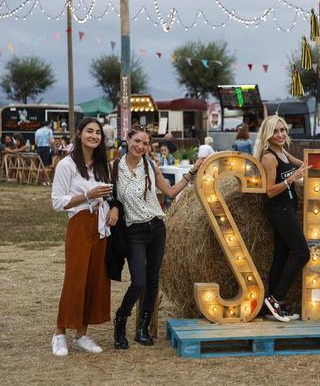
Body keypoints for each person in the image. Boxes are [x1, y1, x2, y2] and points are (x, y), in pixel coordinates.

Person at [112, 126, 204, 349]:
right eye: (136, 141)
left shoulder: (151, 166)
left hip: (156, 227)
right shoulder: (114, 167)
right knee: (138, 282)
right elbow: (110, 194)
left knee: (153, 281)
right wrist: (113, 207)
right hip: (134, 230)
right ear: (127, 139)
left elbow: (171, 192)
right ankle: (120, 322)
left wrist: (192, 172)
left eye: (145, 143)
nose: (140, 146)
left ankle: (143, 327)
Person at [50, 117, 116, 357]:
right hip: (79, 223)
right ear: (79, 134)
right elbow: (57, 202)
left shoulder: (102, 165)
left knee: (95, 279)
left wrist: (114, 208)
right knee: (75, 279)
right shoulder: (67, 165)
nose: (94, 136)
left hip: (101, 225)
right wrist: (87, 195)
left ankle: (82, 334)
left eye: (98, 132)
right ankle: (59, 334)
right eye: (89, 131)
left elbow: (109, 193)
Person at [254, 115, 312, 322]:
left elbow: (306, 164)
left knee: (281, 255)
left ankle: (271, 306)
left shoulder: (282, 151)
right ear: (268, 134)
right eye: (276, 131)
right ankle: (275, 298)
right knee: (302, 253)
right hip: (279, 209)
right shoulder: (269, 157)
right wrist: (293, 179)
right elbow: (269, 191)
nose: (280, 135)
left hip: (288, 208)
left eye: (283, 130)